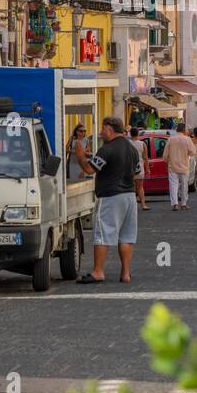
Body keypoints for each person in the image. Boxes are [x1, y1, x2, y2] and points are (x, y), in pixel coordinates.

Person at [77, 116, 144, 284]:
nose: (101, 132)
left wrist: (80, 155)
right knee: (127, 236)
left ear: (109, 129)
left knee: (102, 233)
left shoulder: (107, 149)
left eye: (102, 128)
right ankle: (126, 274)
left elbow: (88, 169)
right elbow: (137, 172)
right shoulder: (132, 149)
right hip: (129, 197)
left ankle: (98, 271)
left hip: (110, 196)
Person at [164, 121, 196, 211]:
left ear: (177, 129)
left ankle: (174, 204)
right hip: (184, 166)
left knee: (173, 185)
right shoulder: (187, 139)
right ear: (184, 130)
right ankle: (184, 203)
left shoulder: (171, 139)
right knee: (184, 185)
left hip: (172, 166)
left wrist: (166, 161)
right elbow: (193, 152)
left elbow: (165, 155)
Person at [129, 126, 150, 211]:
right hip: (140, 168)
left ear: (130, 134)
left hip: (129, 168)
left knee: (131, 188)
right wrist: (148, 169)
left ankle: (132, 207)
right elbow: (145, 158)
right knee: (140, 188)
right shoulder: (143, 144)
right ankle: (143, 205)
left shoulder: (128, 143)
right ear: (138, 134)